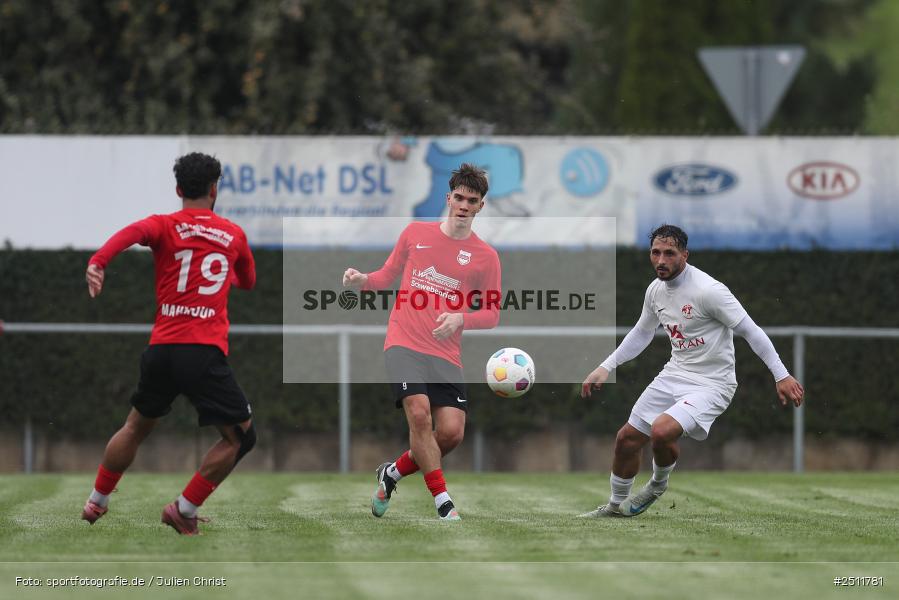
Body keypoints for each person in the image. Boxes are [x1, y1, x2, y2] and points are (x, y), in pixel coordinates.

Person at [81, 152, 257, 535]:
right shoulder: (233, 235)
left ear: (178, 190)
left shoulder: (163, 225)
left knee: (134, 427)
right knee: (241, 437)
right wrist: (225, 275)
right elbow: (248, 280)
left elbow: (130, 233)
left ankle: (97, 500)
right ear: (214, 189)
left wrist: (98, 261)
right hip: (202, 353)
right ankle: (184, 508)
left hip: (161, 350)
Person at [579, 224, 804, 518]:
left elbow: (751, 331)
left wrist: (781, 374)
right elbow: (643, 332)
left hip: (713, 384)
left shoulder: (709, 291)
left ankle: (657, 486)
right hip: (675, 373)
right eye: (655, 253)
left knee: (661, 431)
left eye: (669, 253)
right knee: (626, 439)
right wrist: (606, 366)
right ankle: (614, 507)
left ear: (685, 255)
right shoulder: (655, 290)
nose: (661, 260)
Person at [343, 163, 501, 521]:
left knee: (451, 433)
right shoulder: (415, 233)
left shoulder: (486, 257)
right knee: (418, 415)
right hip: (403, 342)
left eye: (471, 201)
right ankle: (443, 502)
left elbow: (492, 314)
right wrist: (362, 280)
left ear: (480, 206)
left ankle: (392, 473)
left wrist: (461, 318)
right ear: (448, 198)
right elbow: (385, 277)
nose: (463, 205)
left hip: (446, 354)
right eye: (459, 198)